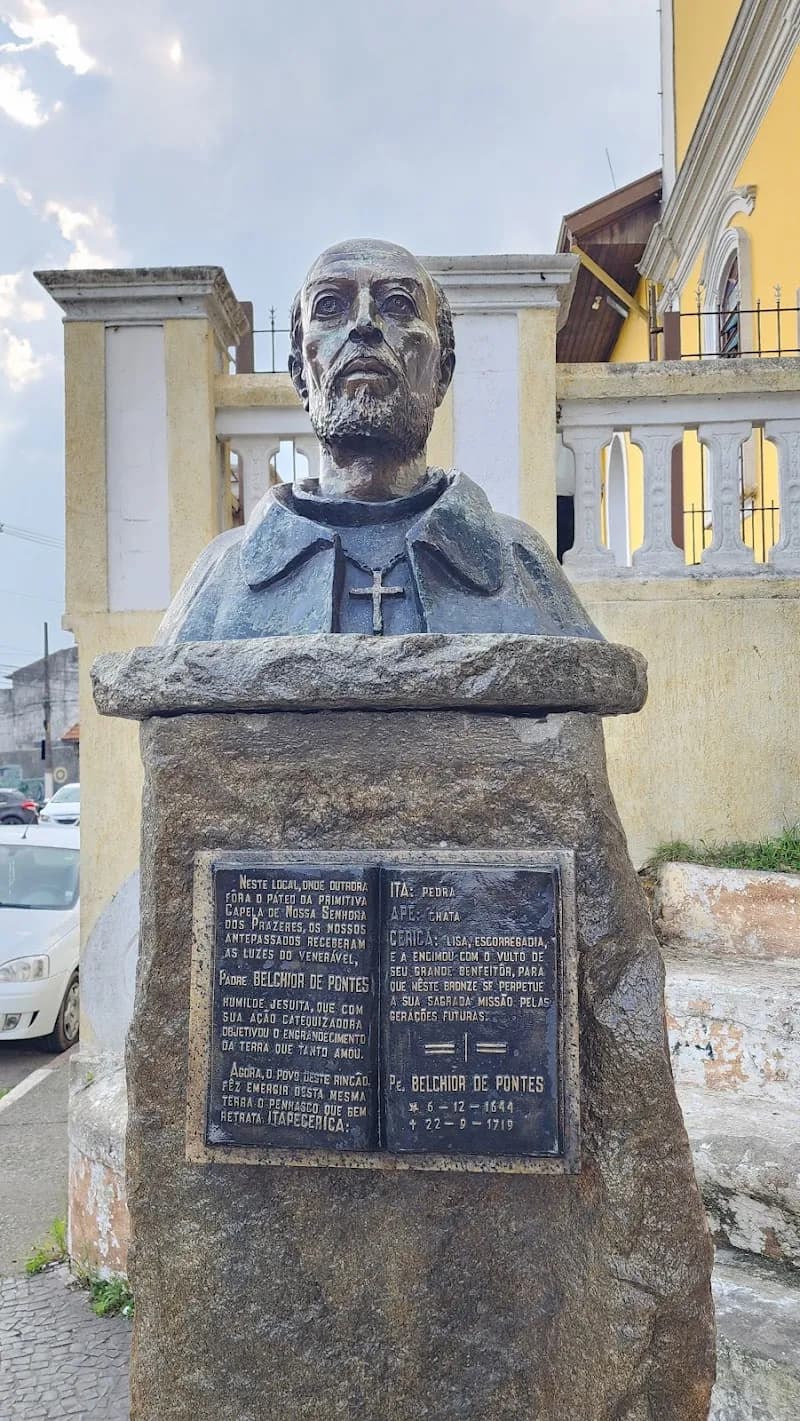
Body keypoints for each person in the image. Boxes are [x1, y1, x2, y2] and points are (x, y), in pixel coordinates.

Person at [157, 239, 600, 642]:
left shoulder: (520, 565)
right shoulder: (220, 580)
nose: (364, 324)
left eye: (398, 305)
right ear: (300, 377)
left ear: (442, 372)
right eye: (330, 306)